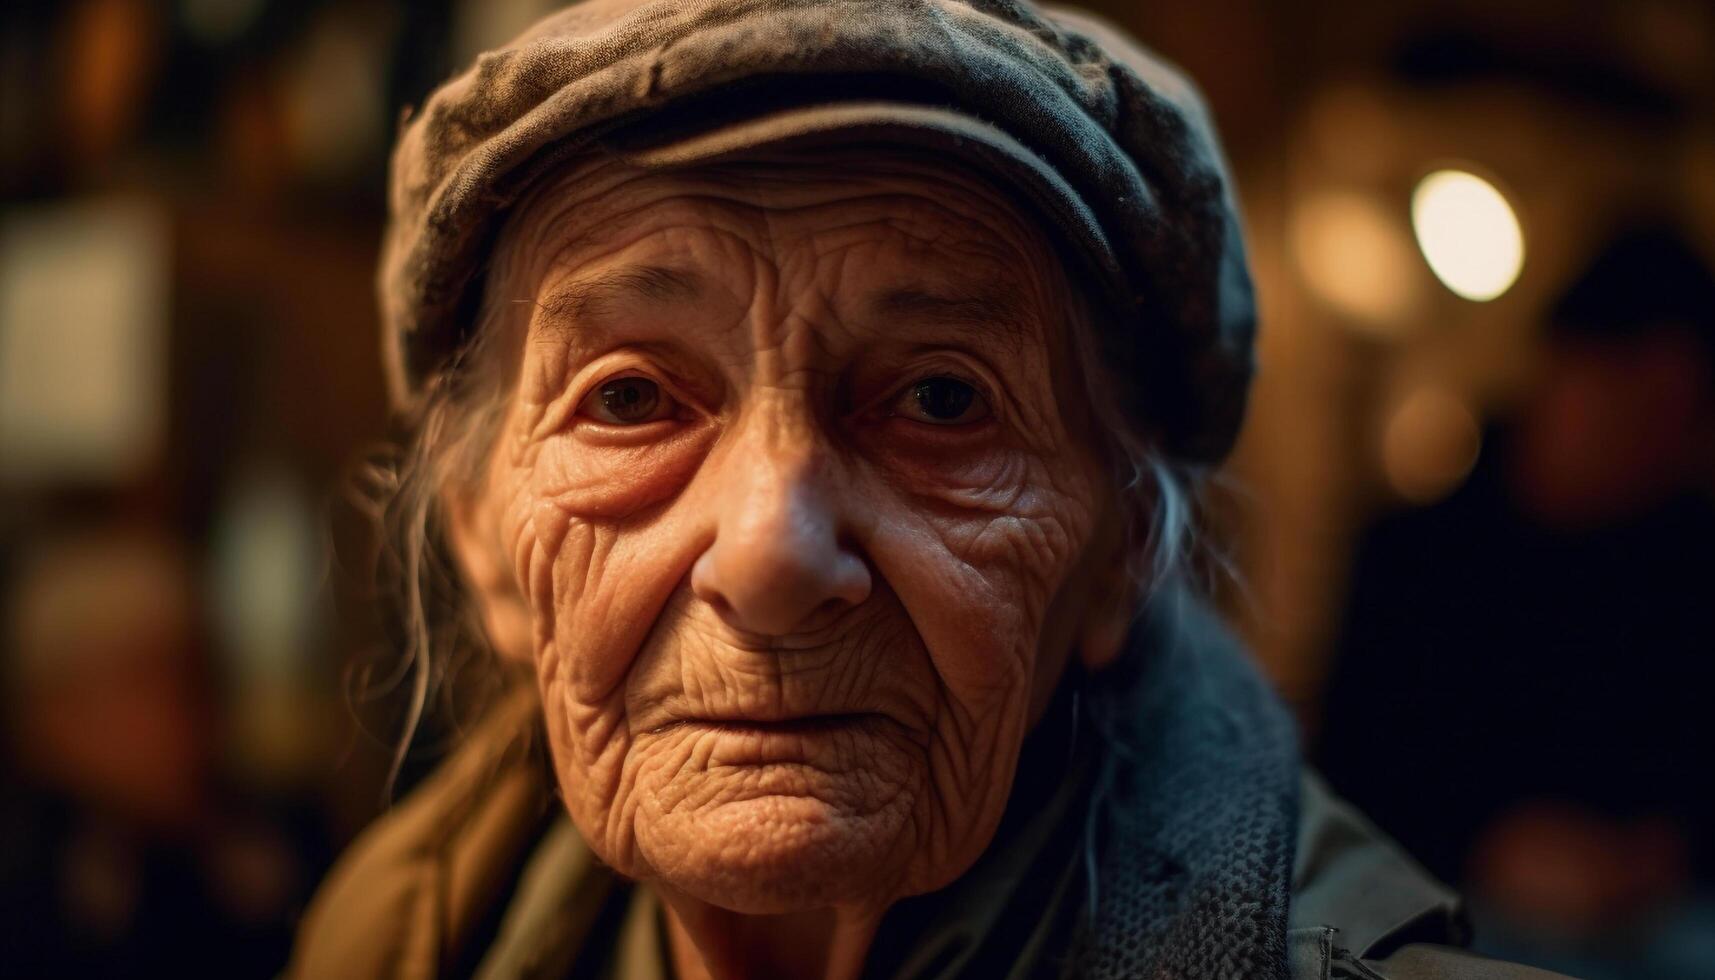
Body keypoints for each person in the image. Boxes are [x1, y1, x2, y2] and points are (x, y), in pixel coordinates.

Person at [290, 2, 1560, 976]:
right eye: (629, 398)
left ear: (1121, 548)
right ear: (480, 538)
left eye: (940, 399)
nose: (771, 553)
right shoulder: (386, 937)